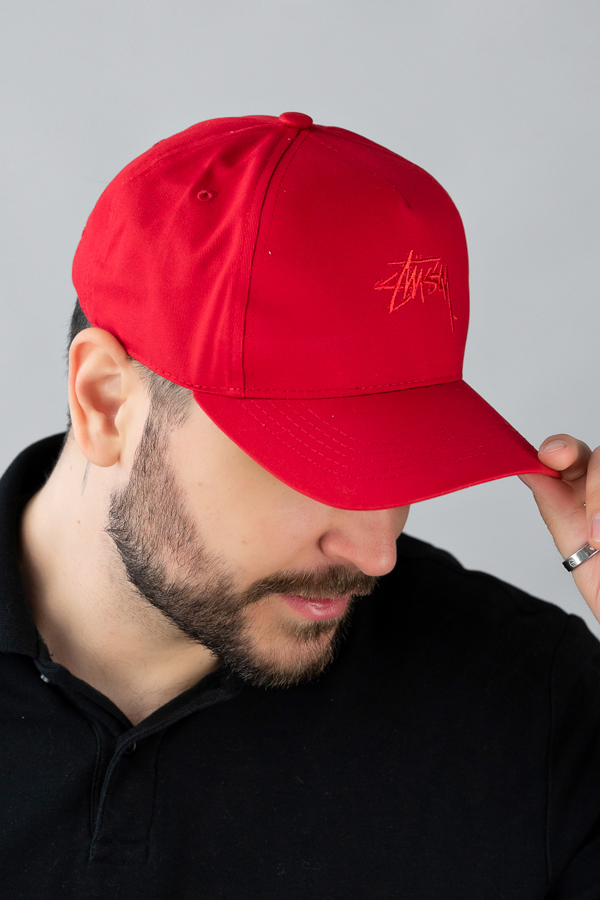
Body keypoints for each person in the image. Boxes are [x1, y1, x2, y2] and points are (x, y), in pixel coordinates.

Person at [2, 112, 599, 898]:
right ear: (106, 402)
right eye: (316, 466)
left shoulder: (528, 703)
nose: (377, 554)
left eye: (404, 461)